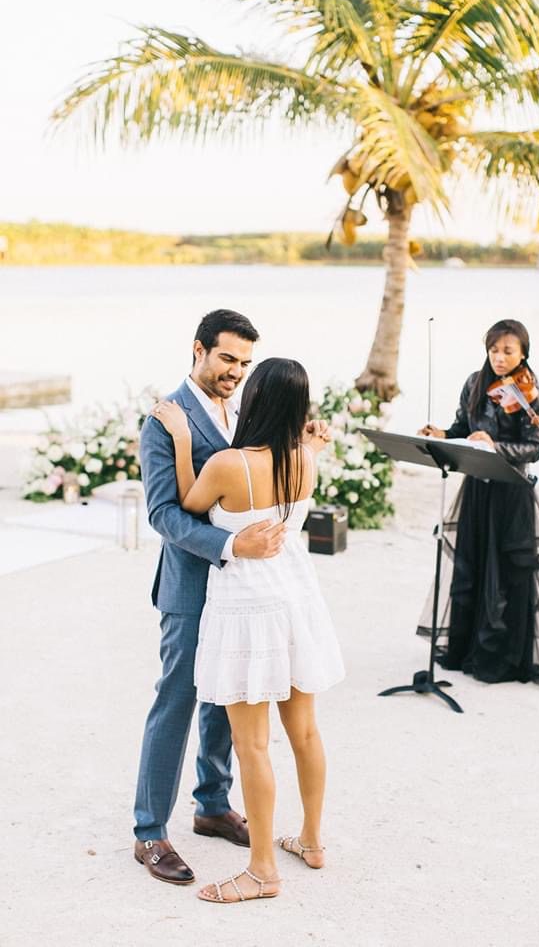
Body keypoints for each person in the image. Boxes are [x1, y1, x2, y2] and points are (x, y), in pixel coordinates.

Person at [151, 357, 345, 904]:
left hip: (248, 605)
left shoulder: (231, 465)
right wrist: (312, 442)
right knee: (305, 731)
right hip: (296, 597)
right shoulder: (306, 459)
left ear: (256, 399)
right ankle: (311, 839)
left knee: (252, 743)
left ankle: (261, 871)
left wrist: (185, 438)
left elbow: (186, 505)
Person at [134, 309, 289, 886]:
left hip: (240, 591)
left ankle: (212, 805)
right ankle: (149, 832)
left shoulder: (243, 410)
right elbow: (162, 514)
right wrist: (232, 545)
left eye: (245, 364)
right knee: (175, 702)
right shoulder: (164, 421)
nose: (235, 373)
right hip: (191, 585)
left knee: (229, 698)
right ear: (197, 349)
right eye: (227, 359)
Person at [417, 319, 539, 685]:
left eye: (508, 351)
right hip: (477, 487)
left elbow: (535, 447)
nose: (499, 357)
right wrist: (443, 435)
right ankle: (466, 651)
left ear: (523, 353)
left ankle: (504, 659)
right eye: (494, 350)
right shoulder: (474, 383)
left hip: (511, 491)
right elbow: (464, 427)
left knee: (507, 574)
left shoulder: (530, 393)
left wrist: (494, 446)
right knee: (471, 566)